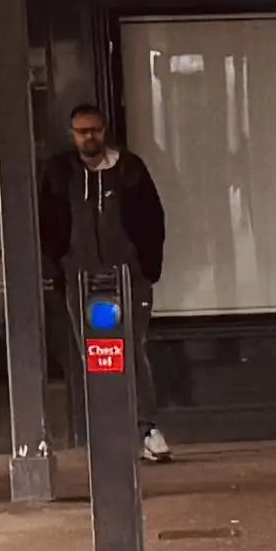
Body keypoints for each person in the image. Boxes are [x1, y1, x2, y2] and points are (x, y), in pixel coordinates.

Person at [39, 95, 176, 468]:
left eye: (95, 131)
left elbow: (152, 220)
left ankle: (145, 429)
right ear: (72, 134)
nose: (89, 138)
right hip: (81, 278)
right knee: (96, 355)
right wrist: (61, 266)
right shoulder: (59, 173)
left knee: (130, 348)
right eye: (82, 132)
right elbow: (47, 221)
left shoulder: (130, 169)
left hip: (128, 276)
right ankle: (111, 431)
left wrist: (146, 268)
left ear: (105, 131)